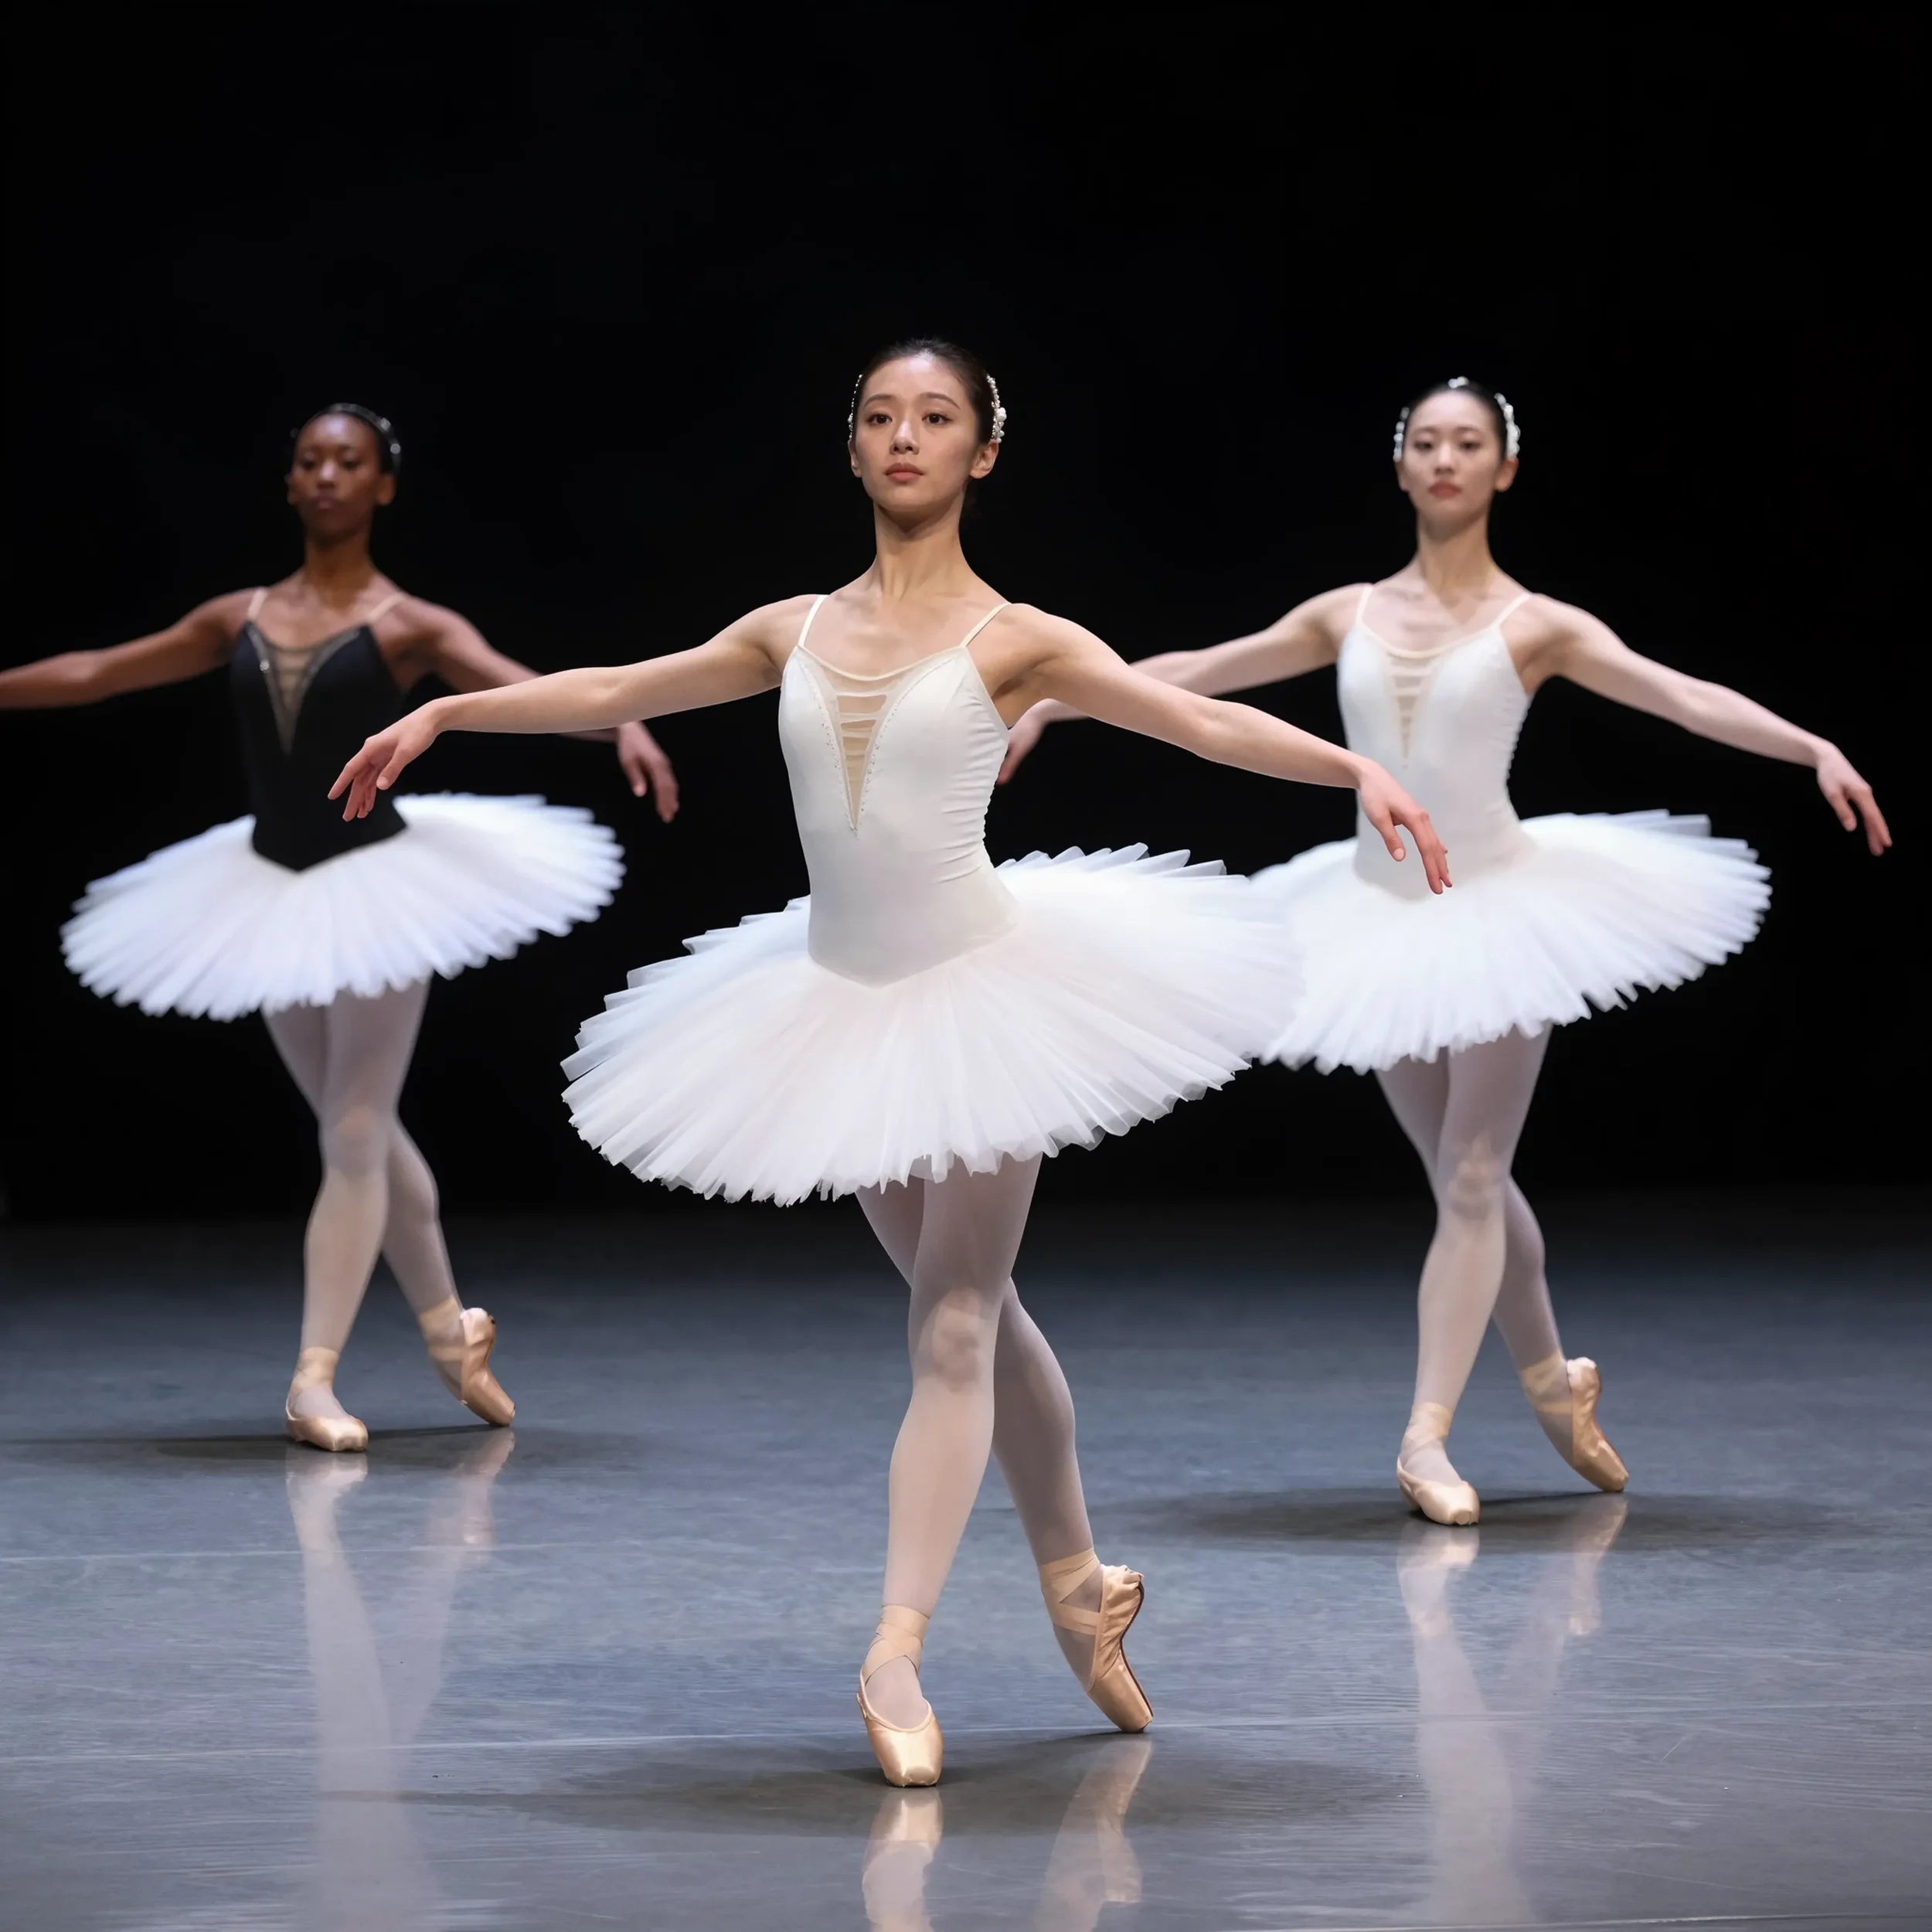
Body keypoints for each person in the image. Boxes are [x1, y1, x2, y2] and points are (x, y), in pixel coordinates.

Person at [332, 339, 1448, 1784]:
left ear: (984, 451)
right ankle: (1082, 1587)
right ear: (852, 446)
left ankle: (894, 1652)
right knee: (976, 1313)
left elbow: (1198, 722)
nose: (904, 437)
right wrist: (446, 710)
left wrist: (1354, 767)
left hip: (986, 999)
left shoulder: (1019, 639)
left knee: (956, 1322)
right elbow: (614, 682)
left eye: (935, 417)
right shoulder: (788, 630)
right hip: (838, 1013)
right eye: (880, 416)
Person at [1000, 376, 1889, 1526]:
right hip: (1375, 920)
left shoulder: (1540, 625)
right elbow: (1205, 671)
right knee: (1465, 1177)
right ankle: (1553, 1378)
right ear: (1403, 465)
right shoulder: (1348, 614)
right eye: (1427, 442)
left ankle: (1425, 1437)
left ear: (1503, 469)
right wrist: (1060, 702)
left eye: (1468, 443)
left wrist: (1811, 746)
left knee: (1471, 1172)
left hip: (1499, 912)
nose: (1446, 460)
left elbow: (1680, 697)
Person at [0, 404, 679, 1453]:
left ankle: (312, 1380)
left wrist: (620, 722)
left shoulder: (411, 624)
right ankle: (452, 1332)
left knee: (355, 1128)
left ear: (382, 486)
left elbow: (515, 687)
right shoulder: (237, 617)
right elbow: (100, 671)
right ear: (290, 482)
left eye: (348, 461)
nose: (326, 475)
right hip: (269, 891)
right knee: (354, 1126)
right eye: (310, 460)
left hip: (375, 889)